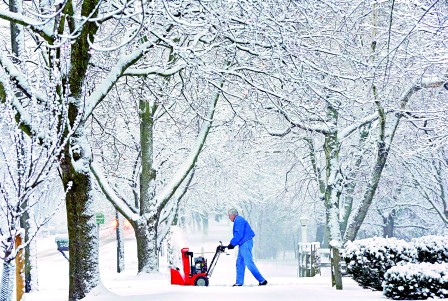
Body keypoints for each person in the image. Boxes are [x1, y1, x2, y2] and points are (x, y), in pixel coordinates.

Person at [225, 208, 267, 287]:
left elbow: (239, 234)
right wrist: (233, 244)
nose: (229, 217)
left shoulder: (239, 220)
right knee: (239, 263)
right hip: (243, 243)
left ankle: (262, 280)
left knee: (248, 262)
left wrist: (232, 244)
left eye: (229, 216)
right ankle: (239, 282)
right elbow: (239, 235)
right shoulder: (238, 220)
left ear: (233, 215)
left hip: (245, 243)